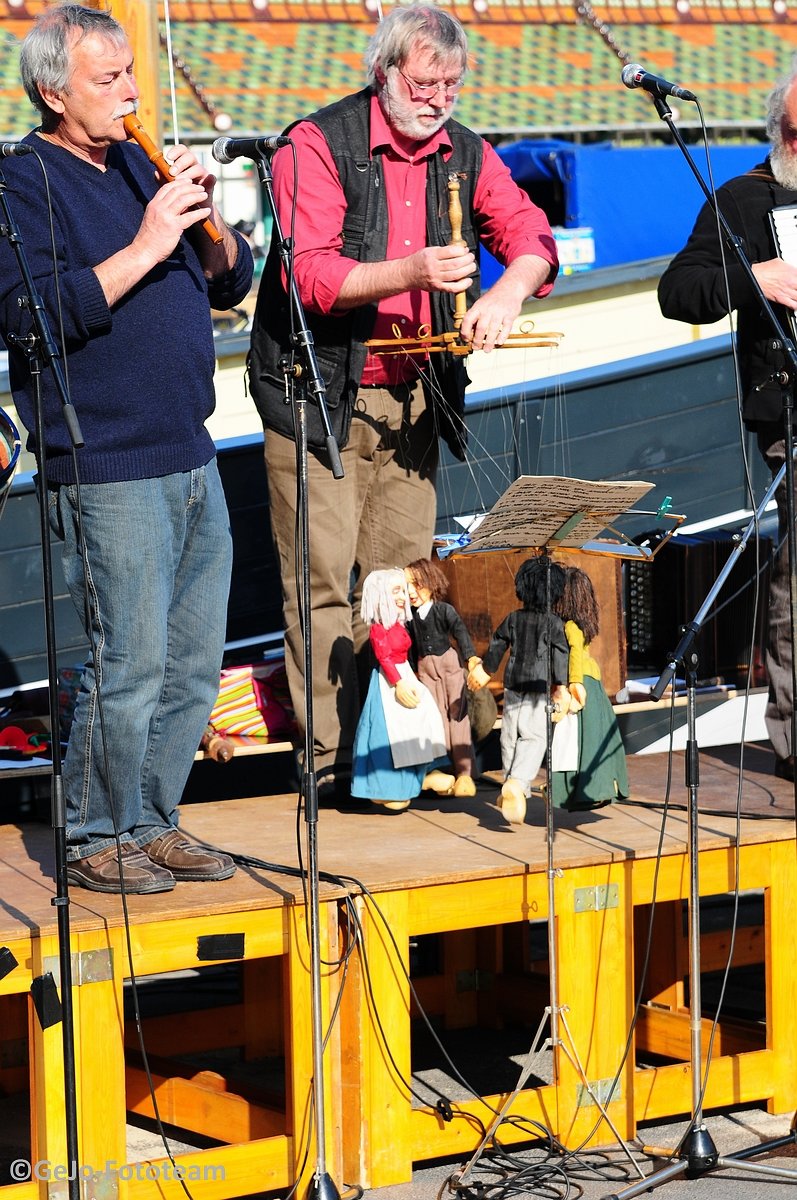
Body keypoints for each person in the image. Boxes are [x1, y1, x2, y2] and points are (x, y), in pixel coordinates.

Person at [248, 3, 558, 804]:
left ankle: (395, 754)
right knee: (320, 589)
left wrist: (510, 294)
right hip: (318, 398)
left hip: (414, 400)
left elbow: (527, 235)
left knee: (400, 588)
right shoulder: (314, 145)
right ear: (383, 72)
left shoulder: (463, 149)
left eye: (452, 84)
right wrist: (413, 272)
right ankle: (328, 768)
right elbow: (308, 277)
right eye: (425, 82)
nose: (439, 98)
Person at [0, 5, 254, 892]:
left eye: (130, 76)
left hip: (190, 445)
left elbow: (233, 280)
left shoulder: (139, 162)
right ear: (52, 92)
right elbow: (32, 321)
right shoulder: (22, 181)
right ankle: (93, 833)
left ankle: (153, 818)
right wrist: (150, 239)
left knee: (192, 662)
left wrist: (208, 224)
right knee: (130, 661)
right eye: (107, 80)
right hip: (105, 458)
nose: (131, 94)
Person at [658, 59, 797, 783]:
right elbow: (676, 292)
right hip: (789, 407)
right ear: (781, 134)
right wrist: (756, 280)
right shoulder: (743, 200)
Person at [467, 556, 570, 824]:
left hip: (513, 684)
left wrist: (487, 670)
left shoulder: (513, 618)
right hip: (538, 686)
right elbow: (560, 655)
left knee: (509, 736)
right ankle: (517, 783)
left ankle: (514, 787)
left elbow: (498, 644)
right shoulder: (554, 623)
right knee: (534, 736)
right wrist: (560, 686)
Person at [351, 568, 452, 812]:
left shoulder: (399, 625)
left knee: (420, 721)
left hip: (405, 674)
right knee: (392, 734)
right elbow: (384, 657)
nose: (403, 596)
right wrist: (398, 683)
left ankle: (424, 773)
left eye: (404, 591)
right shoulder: (379, 629)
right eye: (396, 591)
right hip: (390, 682)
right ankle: (387, 788)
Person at [550, 566, 629, 811]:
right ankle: (593, 789)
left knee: (572, 742)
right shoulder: (581, 625)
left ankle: (577, 791)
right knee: (589, 742)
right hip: (591, 682)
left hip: (579, 684)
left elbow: (574, 656)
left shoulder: (570, 627)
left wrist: (573, 684)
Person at [405, 556, 481, 796]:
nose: (411, 592)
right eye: (407, 586)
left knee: (457, 716)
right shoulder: (411, 618)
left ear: (430, 582)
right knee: (435, 719)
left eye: (416, 584)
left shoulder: (443, 610)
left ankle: (465, 773)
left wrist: (471, 658)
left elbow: (460, 632)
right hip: (425, 670)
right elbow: (409, 647)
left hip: (449, 664)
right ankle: (445, 771)